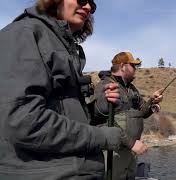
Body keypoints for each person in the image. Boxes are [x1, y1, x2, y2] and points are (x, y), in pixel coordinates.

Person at [0, 0, 146, 179]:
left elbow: (70, 116)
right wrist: (103, 137)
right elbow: (24, 123)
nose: (88, 7)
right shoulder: (23, 34)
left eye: (92, 5)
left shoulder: (64, 47)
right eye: (82, 0)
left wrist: (100, 105)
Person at [94, 52, 163, 180]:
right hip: (113, 152)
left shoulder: (131, 89)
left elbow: (141, 113)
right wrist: (131, 143)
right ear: (122, 66)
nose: (136, 69)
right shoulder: (105, 87)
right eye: (133, 65)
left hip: (131, 151)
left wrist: (152, 101)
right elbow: (101, 124)